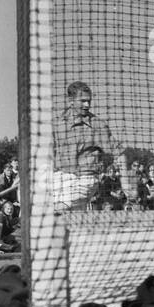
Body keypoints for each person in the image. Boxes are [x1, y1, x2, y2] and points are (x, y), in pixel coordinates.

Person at [54, 81, 128, 210]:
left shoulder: (97, 125)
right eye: (83, 101)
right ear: (71, 100)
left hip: (85, 179)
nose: (87, 105)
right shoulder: (58, 124)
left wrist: (126, 183)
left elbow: (119, 154)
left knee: (57, 210)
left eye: (89, 101)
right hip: (60, 178)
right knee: (62, 222)